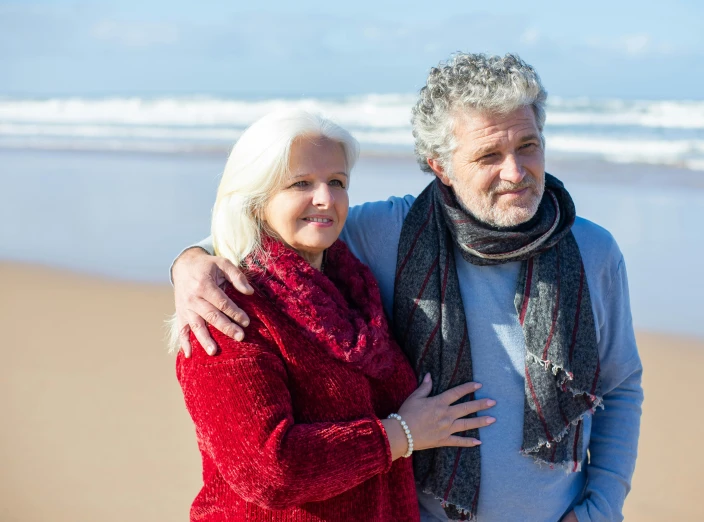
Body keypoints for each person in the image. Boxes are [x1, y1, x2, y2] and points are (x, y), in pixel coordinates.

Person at [172, 54, 643, 522]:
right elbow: (276, 228)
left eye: (528, 146)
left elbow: (619, 387)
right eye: (488, 155)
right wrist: (190, 262)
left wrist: (600, 509)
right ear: (441, 165)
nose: (516, 171)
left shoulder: (593, 250)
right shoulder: (390, 233)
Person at [172, 109, 497, 521]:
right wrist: (401, 433)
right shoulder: (228, 309)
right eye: (301, 183)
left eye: (337, 182)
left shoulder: (355, 289)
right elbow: (268, 471)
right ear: (255, 200)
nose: (325, 197)